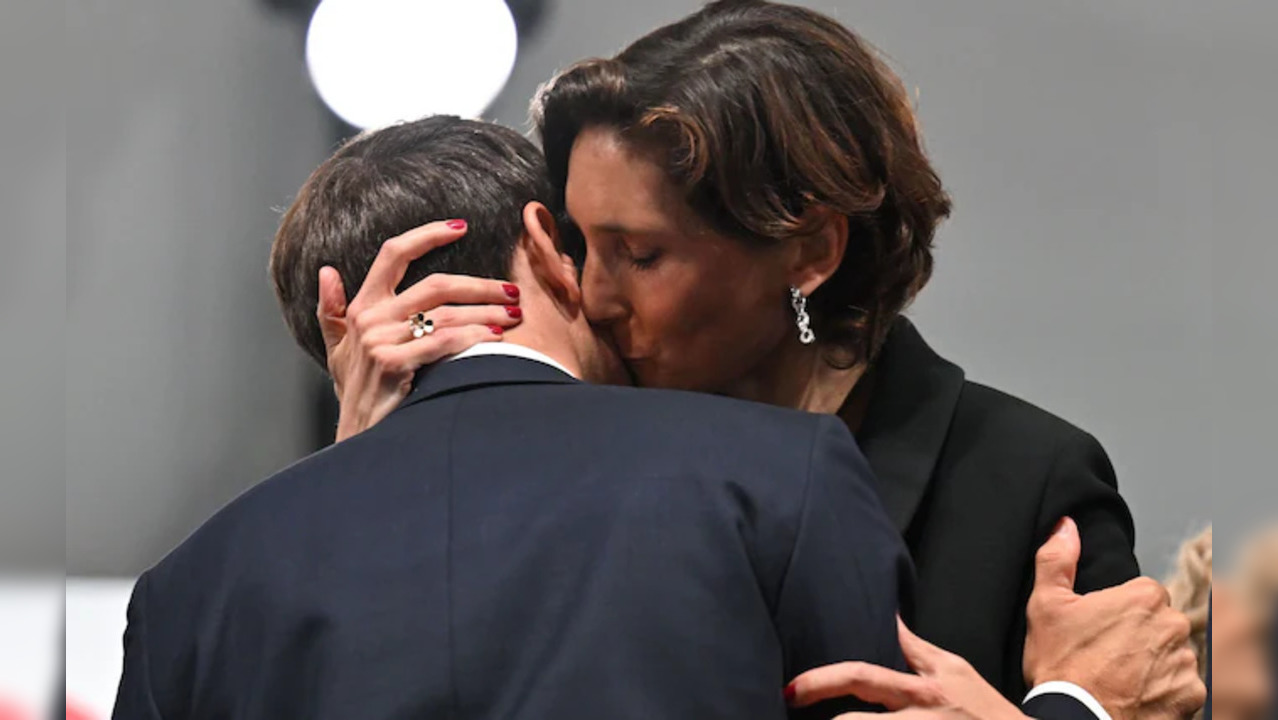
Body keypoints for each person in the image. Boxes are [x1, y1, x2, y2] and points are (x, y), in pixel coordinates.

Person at [320, 0, 1141, 701]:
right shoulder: (561, 453)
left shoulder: (1026, 481)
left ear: (811, 250)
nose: (594, 295)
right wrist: (368, 467)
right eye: (580, 241)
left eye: (641, 255)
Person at [111, 116, 915, 720]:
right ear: (546, 243)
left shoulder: (191, 589)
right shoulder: (782, 471)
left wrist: (351, 467)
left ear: (335, 342)